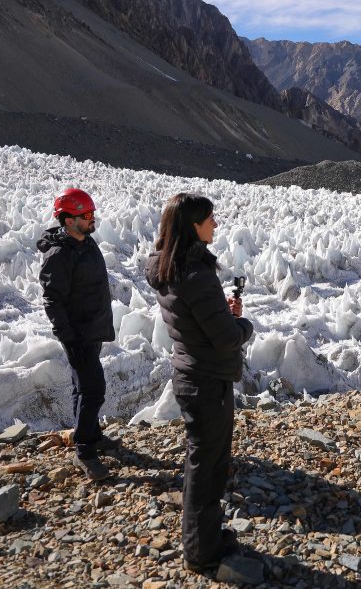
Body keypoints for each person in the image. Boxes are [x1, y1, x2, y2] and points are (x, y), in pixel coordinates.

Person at [145, 193, 254, 574]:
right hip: (208, 379)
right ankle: (201, 551)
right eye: (210, 218)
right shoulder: (197, 273)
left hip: (190, 372)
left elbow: (195, 319)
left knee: (202, 461)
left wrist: (220, 313)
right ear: (194, 225)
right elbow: (225, 338)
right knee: (208, 466)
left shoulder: (169, 267)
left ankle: (204, 538)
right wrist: (243, 326)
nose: (216, 224)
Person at [38, 188, 117, 481]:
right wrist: (69, 339)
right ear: (69, 220)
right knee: (93, 389)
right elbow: (53, 302)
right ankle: (84, 450)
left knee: (81, 387)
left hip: (91, 330)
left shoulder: (85, 242)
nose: (92, 219)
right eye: (86, 215)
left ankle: (91, 434)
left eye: (92, 213)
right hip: (78, 335)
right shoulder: (59, 255)